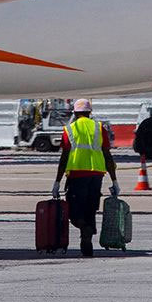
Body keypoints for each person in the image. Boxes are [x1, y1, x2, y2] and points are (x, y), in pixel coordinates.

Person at [52, 98, 118, 257]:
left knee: (74, 212)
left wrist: (57, 181)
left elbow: (64, 157)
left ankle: (85, 229)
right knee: (90, 209)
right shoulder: (98, 127)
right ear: (90, 113)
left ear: (74, 112)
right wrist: (114, 180)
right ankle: (86, 241)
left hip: (77, 175)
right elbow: (107, 155)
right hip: (96, 175)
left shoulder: (70, 129)